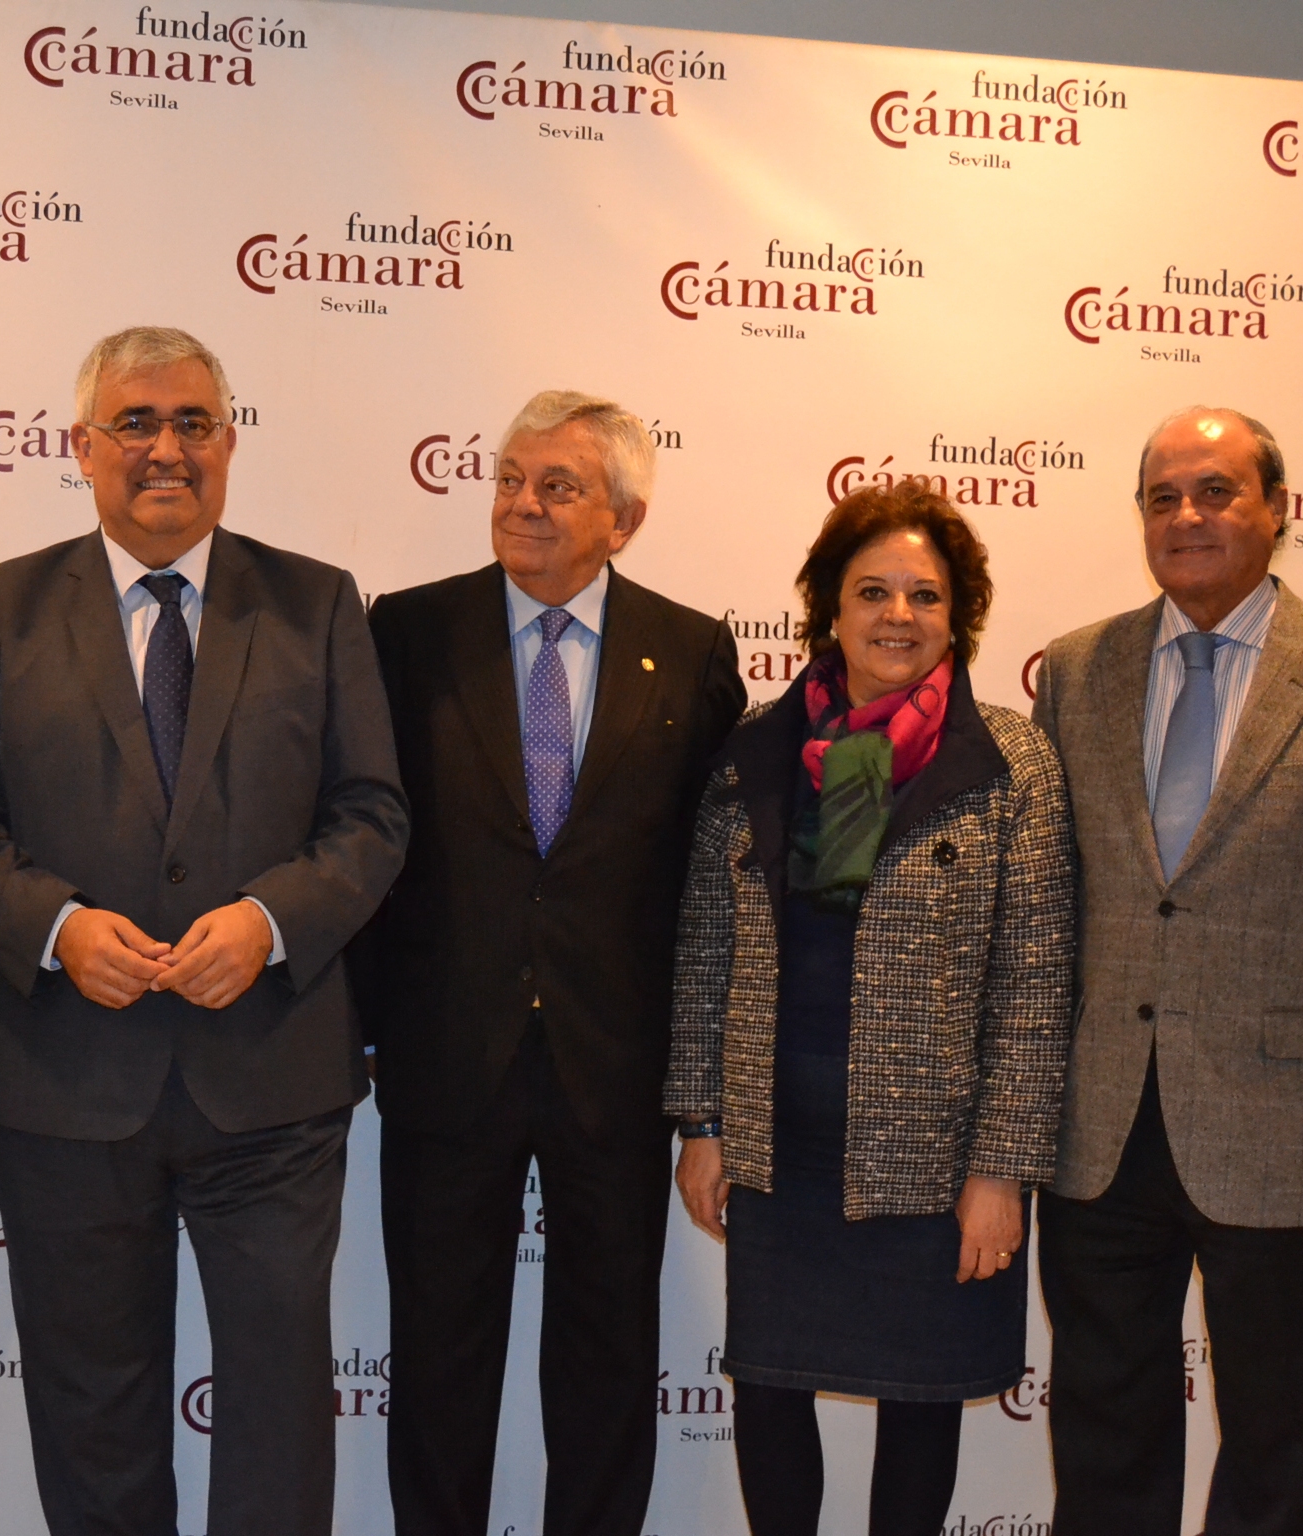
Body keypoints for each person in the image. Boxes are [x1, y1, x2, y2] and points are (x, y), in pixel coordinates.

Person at [0, 326, 408, 1536]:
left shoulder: (317, 604)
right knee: (93, 1419)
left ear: (229, 442)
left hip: (273, 1091)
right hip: (65, 1087)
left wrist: (269, 921)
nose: (166, 448)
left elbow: (372, 814)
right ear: (82, 446)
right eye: (134, 423)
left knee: (280, 1418)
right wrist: (56, 929)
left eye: (194, 422)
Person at [353, 391, 744, 1536]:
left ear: (623, 519)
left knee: (608, 1363)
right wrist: (359, 1029)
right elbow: (362, 836)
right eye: (510, 479)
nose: (521, 504)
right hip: (443, 1059)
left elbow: (712, 878)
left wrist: (706, 1082)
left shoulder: (692, 650)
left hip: (614, 1066)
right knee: (437, 1361)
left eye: (557, 487)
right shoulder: (407, 634)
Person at [667, 482, 1075, 1536]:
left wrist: (1001, 1171)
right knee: (769, 1390)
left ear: (959, 614)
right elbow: (707, 949)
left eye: (925, 595)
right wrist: (701, 1123)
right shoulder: (758, 751)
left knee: (921, 1400)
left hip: (933, 1157)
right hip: (778, 1143)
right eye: (873, 592)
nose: (900, 615)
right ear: (831, 608)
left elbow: (1035, 983)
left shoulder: (1013, 762)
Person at [1031, 406, 1303, 1536]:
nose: (1187, 516)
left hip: (1296, 1129)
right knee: (1104, 1436)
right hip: (1101, 1124)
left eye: (1216, 491)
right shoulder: (1078, 669)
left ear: (1279, 510)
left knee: (1289, 1445)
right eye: (1162, 497)